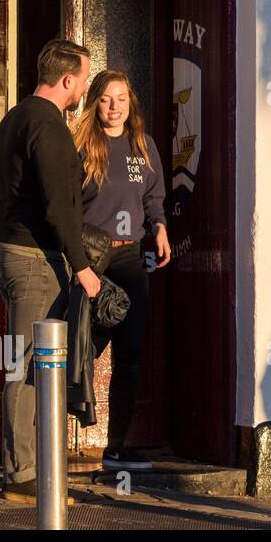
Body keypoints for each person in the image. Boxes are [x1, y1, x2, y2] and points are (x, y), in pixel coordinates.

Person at [0, 38, 98, 504]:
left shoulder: (15, 117)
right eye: (85, 79)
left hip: (14, 250)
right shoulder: (49, 125)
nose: (85, 89)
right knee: (29, 367)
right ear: (68, 79)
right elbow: (59, 208)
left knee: (30, 363)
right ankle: (23, 476)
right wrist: (84, 266)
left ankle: (31, 468)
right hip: (34, 258)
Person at [73, 70, 171, 471]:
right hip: (89, 259)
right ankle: (48, 434)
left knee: (129, 354)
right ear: (94, 103)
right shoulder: (79, 144)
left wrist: (160, 225)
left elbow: (152, 196)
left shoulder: (143, 146)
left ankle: (116, 447)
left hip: (130, 258)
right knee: (81, 348)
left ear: (131, 105)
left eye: (122, 99)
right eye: (106, 99)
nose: (114, 107)